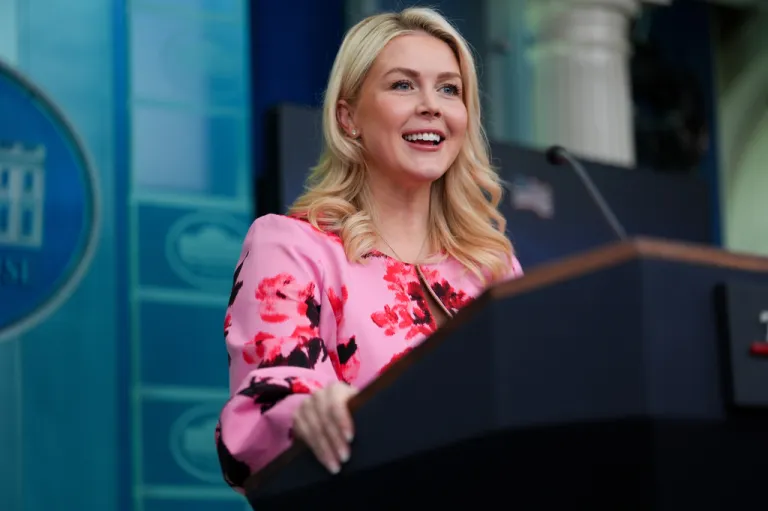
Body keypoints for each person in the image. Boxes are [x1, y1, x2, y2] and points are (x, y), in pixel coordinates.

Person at [215, 6, 523, 493]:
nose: (432, 105)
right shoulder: (292, 246)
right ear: (348, 118)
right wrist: (309, 410)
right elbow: (269, 393)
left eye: (449, 89)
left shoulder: (492, 266)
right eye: (403, 85)